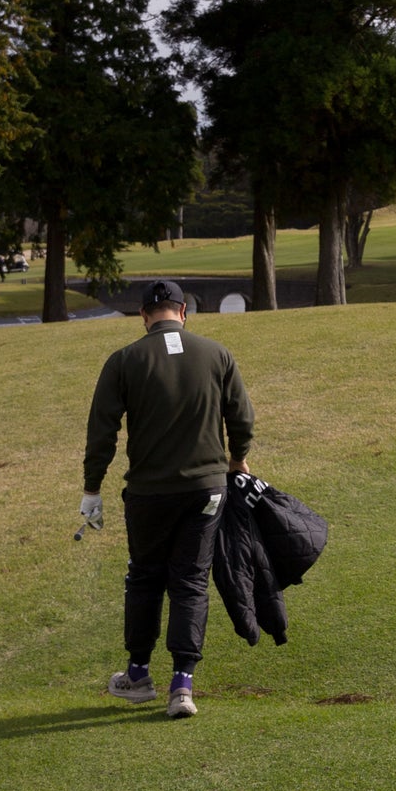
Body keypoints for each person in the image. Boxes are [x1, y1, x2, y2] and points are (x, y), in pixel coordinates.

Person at [80, 279, 255, 719]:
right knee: (191, 580)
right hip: (207, 490)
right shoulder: (217, 354)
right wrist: (237, 459)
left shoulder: (124, 360)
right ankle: (182, 684)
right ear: (183, 312)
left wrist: (92, 488)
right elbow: (241, 417)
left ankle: (138, 675)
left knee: (145, 577)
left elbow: (101, 432)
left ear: (143, 315)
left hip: (149, 494)